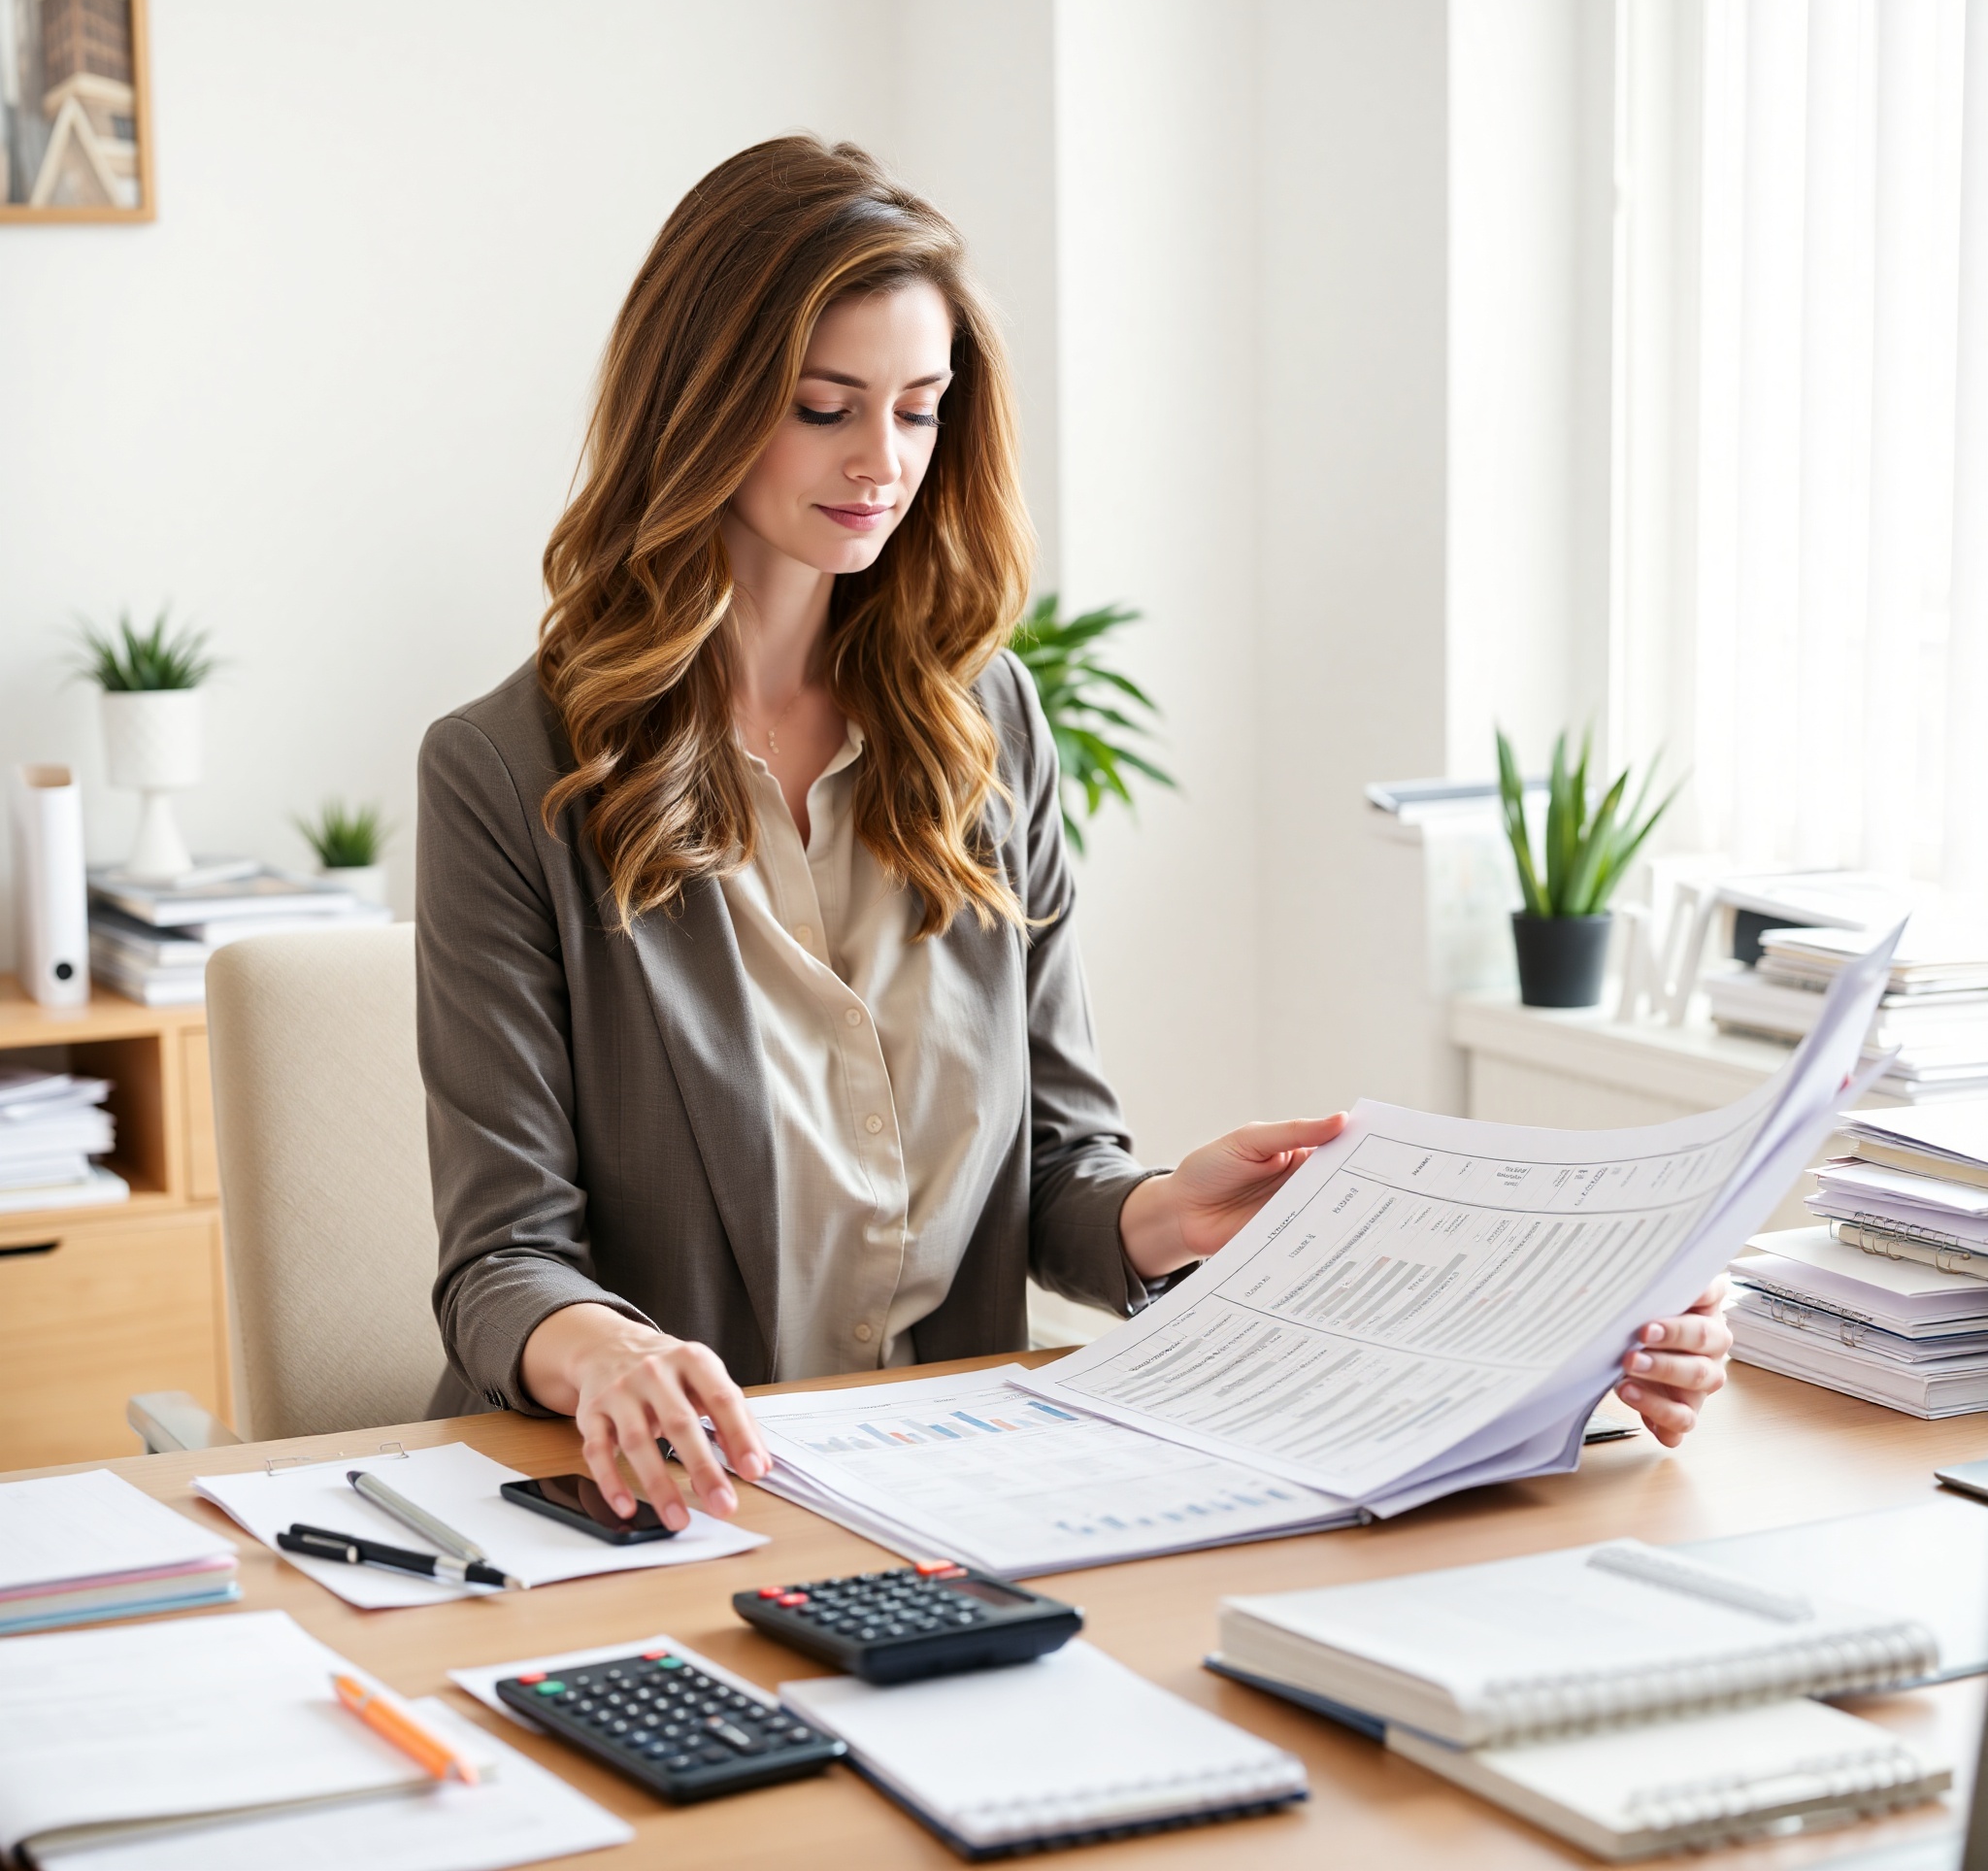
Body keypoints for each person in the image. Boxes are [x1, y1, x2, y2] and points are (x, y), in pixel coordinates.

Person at [416, 135, 1733, 1528]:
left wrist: (1166, 1215)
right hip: (670, 1507)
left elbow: (1052, 1167)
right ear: (702, 406)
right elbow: (502, 1261)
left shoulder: (980, 724)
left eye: (921, 411)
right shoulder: (511, 774)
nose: (884, 462)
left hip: (945, 1483)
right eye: (825, 407)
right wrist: (612, 1350)